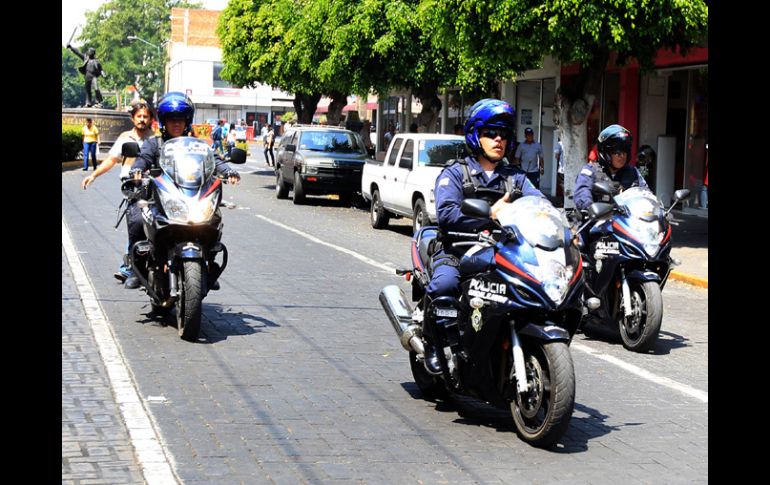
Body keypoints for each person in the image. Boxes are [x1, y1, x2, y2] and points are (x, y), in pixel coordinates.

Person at [423, 98, 544, 374]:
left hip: (502, 253)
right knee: (444, 286)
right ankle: (432, 342)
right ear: (475, 135)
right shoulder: (456, 173)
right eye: (491, 132)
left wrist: (564, 228)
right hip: (457, 250)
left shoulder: (516, 178)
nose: (498, 139)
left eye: (503, 133)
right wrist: (490, 213)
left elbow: (540, 205)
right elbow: (447, 214)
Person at [127, 92, 241, 290]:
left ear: (187, 121)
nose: (176, 123)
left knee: (214, 218)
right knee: (137, 218)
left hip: (192, 196)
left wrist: (228, 171)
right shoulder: (154, 143)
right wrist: (137, 169)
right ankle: (137, 268)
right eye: (172, 119)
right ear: (164, 121)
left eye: (180, 119)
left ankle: (208, 261)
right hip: (161, 197)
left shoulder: (198, 145)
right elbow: (143, 158)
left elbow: (215, 160)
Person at [81, 100, 156, 283]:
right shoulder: (125, 138)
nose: (142, 119)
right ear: (133, 118)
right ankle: (129, 267)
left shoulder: (156, 139)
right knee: (136, 224)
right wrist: (93, 175)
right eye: (139, 116)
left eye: (145, 116)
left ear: (150, 119)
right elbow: (111, 160)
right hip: (133, 188)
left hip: (154, 187)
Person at [573, 124, 647, 211]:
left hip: (628, 218)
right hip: (599, 218)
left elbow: (645, 192)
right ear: (606, 153)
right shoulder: (590, 171)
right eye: (617, 152)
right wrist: (590, 208)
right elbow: (582, 192)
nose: (622, 156)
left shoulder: (632, 172)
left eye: (625, 151)